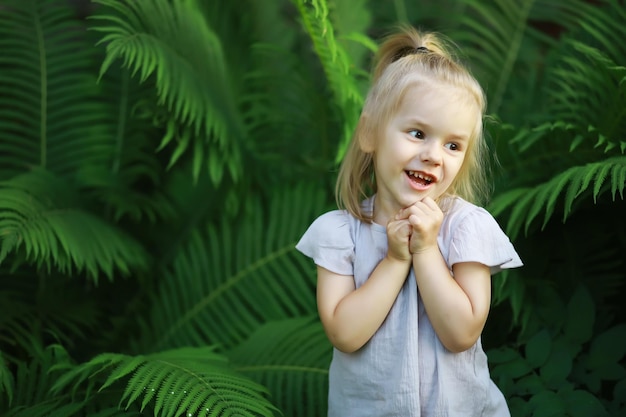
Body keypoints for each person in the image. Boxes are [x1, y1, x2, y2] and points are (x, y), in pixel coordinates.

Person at [296, 25, 523, 417]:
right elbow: (344, 334)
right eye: (418, 133)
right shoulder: (341, 233)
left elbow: (461, 333)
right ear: (370, 132)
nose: (434, 155)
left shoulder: (468, 229)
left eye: (453, 145)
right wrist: (395, 260)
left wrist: (426, 250)